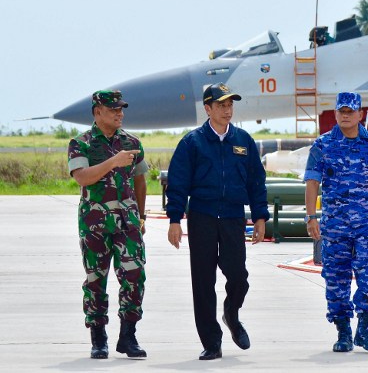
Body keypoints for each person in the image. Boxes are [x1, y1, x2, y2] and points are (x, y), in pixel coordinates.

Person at [166, 82, 269, 360]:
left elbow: (256, 181)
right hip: (202, 218)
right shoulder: (192, 143)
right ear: (208, 108)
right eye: (221, 105)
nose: (227, 110)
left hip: (234, 217)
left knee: (239, 276)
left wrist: (260, 216)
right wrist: (174, 219)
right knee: (202, 281)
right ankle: (212, 342)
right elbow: (177, 183)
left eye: (230, 105)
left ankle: (231, 314)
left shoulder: (243, 140)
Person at [304, 91, 368, 352]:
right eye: (341, 111)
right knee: (336, 278)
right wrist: (312, 216)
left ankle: (364, 330)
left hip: (366, 226)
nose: (345, 115)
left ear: (360, 114)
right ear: (335, 113)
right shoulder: (322, 145)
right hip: (334, 227)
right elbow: (312, 182)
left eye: (350, 111)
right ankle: (343, 331)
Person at [67, 90, 148, 360]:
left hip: (127, 223)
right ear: (97, 111)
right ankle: (98, 338)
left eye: (121, 109)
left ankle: (128, 335)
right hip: (95, 224)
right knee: (95, 280)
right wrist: (113, 161)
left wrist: (142, 215)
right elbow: (82, 178)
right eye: (113, 109)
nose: (119, 114)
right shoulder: (81, 144)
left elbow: (140, 180)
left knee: (135, 275)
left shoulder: (133, 143)